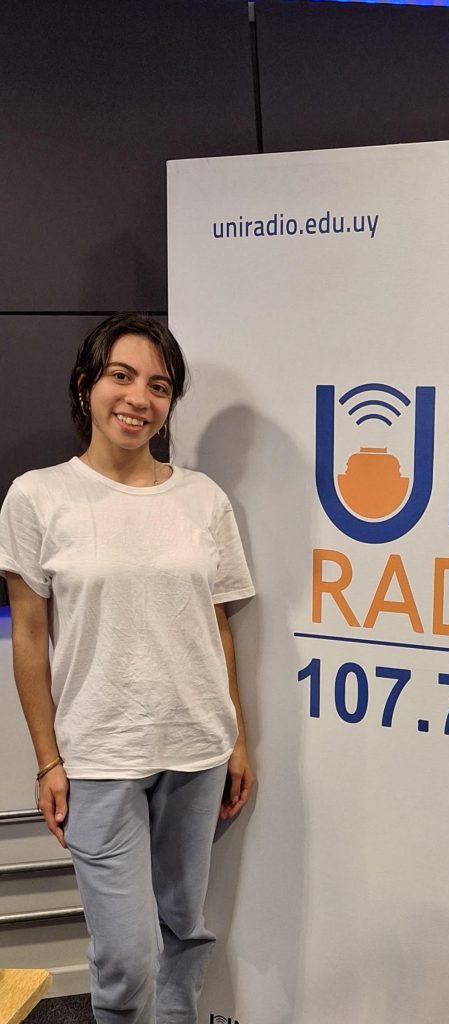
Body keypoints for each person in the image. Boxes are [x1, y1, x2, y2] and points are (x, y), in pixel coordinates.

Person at [0, 315, 256, 1024]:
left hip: (197, 747)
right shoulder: (38, 496)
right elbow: (29, 638)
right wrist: (48, 760)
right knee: (125, 958)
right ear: (86, 385)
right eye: (122, 376)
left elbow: (216, 626)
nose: (139, 398)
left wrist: (237, 737)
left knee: (184, 931)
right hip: (99, 755)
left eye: (159, 385)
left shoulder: (203, 500)